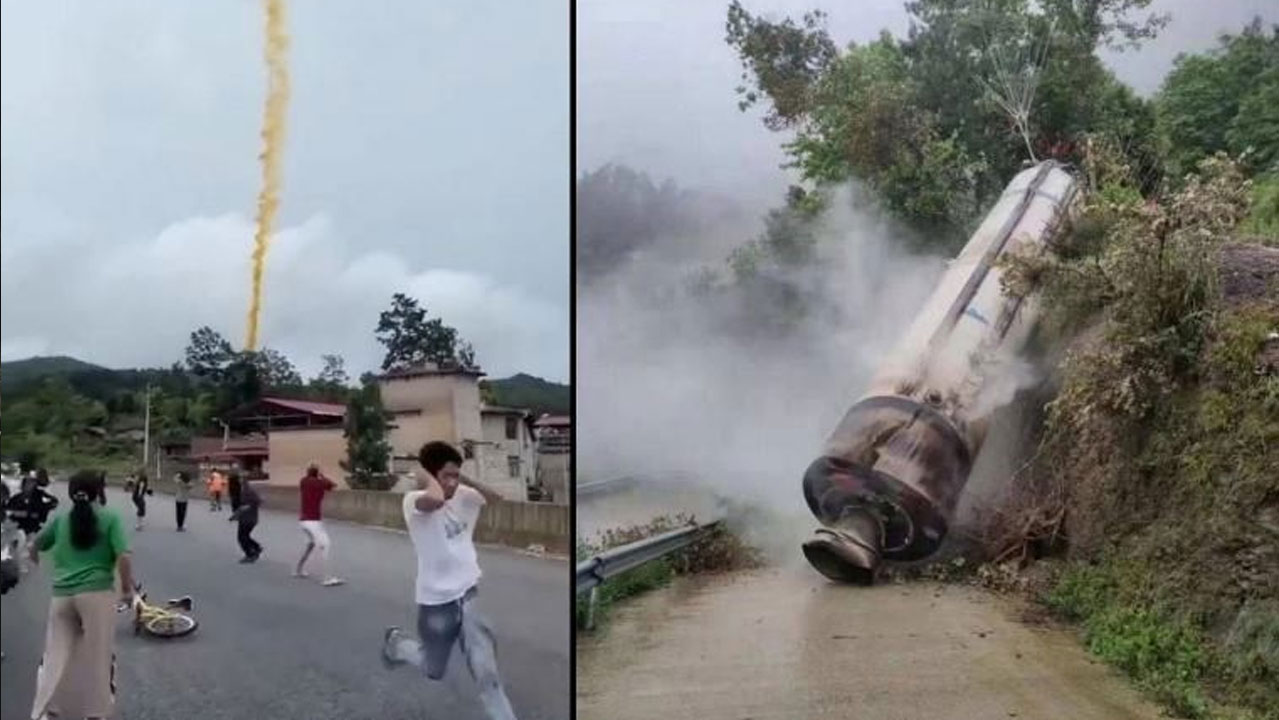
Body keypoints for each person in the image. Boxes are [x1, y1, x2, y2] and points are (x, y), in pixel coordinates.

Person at [381, 441, 517, 720]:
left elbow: (497, 497)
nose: (453, 483)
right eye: (447, 476)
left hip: (468, 597)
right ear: (432, 475)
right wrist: (425, 476)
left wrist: (459, 475)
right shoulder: (414, 502)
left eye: (456, 476)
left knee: (487, 674)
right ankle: (397, 645)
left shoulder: (464, 494)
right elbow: (436, 500)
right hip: (436, 604)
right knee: (433, 669)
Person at [28, 470, 134, 720]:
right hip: (96, 595)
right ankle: (95, 714)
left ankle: (45, 711)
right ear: (98, 491)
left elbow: (35, 546)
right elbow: (124, 555)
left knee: (55, 655)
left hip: (62, 596)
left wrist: (39, 564)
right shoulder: (109, 518)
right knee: (98, 655)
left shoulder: (62, 519)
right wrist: (127, 590)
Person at [294, 463, 344, 586]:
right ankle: (327, 578)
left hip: (303, 521)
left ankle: (298, 570)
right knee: (325, 545)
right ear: (317, 473)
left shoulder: (303, 481)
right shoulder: (320, 483)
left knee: (310, 545)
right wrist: (323, 476)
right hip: (313, 521)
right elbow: (334, 486)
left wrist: (318, 474)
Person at [6, 475, 60, 572]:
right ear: (23, 486)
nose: (30, 487)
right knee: (21, 544)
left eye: (32, 484)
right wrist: (23, 514)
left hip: (33, 526)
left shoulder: (39, 496)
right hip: (19, 526)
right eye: (27, 484)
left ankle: (20, 561)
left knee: (30, 545)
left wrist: (45, 508)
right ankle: (19, 564)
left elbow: (54, 502)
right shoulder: (16, 498)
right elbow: (8, 511)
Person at [228, 474, 262, 563]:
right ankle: (256, 547)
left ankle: (250, 554)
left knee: (241, 538)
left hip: (248, 519)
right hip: (247, 518)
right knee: (245, 536)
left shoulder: (247, 491)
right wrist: (235, 516)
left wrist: (248, 506)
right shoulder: (241, 491)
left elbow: (258, 501)